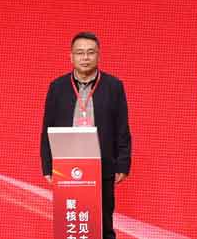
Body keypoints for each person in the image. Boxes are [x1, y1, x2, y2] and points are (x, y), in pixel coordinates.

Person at [41, 32, 133, 238]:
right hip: (67, 166)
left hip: (102, 165)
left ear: (98, 56)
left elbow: (122, 129)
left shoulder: (114, 86)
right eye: (80, 53)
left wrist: (123, 164)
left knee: (103, 224)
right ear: (71, 56)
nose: (85, 58)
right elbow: (47, 127)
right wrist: (47, 165)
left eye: (90, 53)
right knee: (71, 223)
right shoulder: (57, 87)